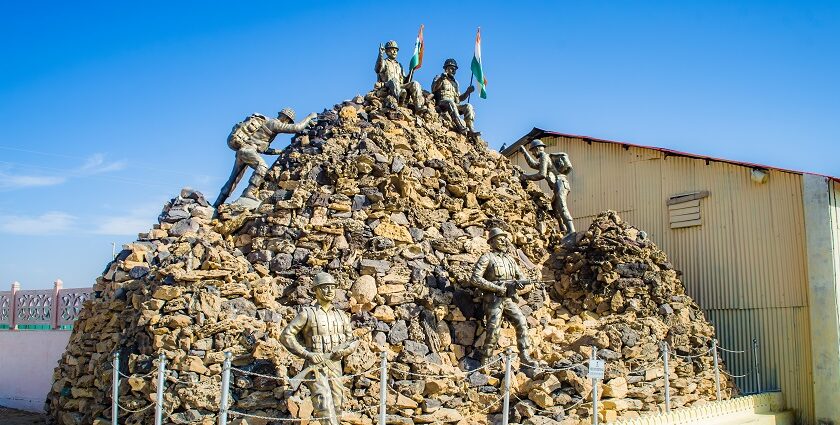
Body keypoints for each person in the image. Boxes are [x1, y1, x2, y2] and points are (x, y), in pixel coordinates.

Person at [280, 272, 359, 425]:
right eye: (324, 287)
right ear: (315, 290)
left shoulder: (342, 316)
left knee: (337, 404)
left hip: (334, 365)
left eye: (332, 287)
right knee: (324, 404)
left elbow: (351, 340)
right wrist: (307, 354)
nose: (329, 291)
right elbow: (286, 336)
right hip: (315, 367)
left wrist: (344, 351)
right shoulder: (307, 314)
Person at [214, 108, 317, 208]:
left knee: (233, 179)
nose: (287, 123)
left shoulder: (267, 126)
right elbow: (296, 128)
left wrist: (280, 151)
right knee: (262, 166)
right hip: (248, 151)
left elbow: (263, 149)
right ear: (286, 118)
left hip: (244, 150)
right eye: (288, 121)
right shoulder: (274, 123)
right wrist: (309, 117)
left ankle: (217, 204)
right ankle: (249, 192)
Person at [471, 227, 536, 367]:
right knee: (493, 328)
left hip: (508, 299)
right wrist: (497, 288)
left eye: (504, 239)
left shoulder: (510, 259)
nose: (503, 241)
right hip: (493, 299)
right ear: (492, 242)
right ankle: (486, 357)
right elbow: (475, 279)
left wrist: (520, 284)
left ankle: (525, 356)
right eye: (500, 239)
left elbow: (521, 277)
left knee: (521, 321)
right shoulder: (487, 257)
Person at [520, 139, 576, 234]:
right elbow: (533, 165)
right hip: (558, 185)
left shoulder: (543, 156)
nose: (533, 154)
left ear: (537, 149)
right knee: (555, 207)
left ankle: (572, 231)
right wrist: (524, 152)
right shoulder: (545, 158)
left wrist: (525, 177)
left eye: (532, 151)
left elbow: (541, 174)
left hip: (560, 184)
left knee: (562, 207)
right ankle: (563, 230)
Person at [374, 40, 424, 110]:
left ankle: (419, 106)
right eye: (392, 49)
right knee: (394, 81)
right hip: (387, 85)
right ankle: (400, 100)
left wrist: (411, 72)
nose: (395, 52)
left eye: (396, 50)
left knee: (415, 83)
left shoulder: (399, 65)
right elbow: (377, 69)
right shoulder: (384, 62)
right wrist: (380, 55)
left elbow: (405, 80)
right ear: (387, 51)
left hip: (399, 85)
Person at [431, 58, 476, 134]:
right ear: (446, 68)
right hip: (442, 103)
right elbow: (433, 89)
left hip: (453, 105)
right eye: (451, 69)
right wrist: (441, 79)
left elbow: (459, 99)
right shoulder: (439, 77)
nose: (454, 71)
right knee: (450, 102)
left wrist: (467, 92)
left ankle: (471, 129)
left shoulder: (455, 83)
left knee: (468, 106)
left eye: (455, 69)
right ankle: (460, 126)